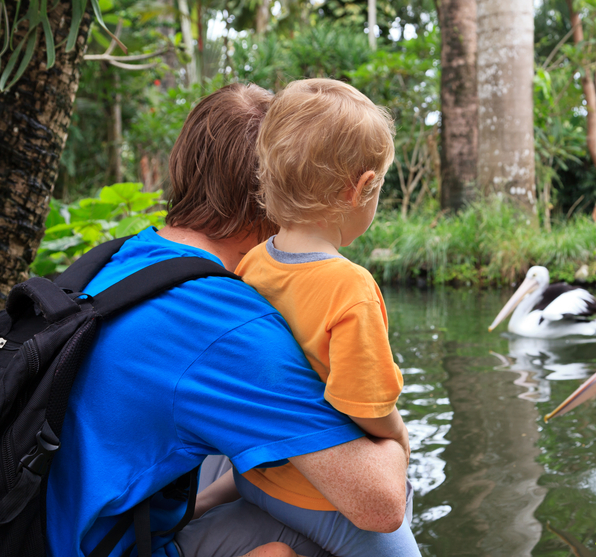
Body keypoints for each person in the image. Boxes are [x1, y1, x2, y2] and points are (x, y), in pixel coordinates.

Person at [45, 82, 408, 557]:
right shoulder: (223, 324)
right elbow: (381, 506)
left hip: (62, 519)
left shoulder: (130, 257)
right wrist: (398, 439)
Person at [202, 79, 420, 556]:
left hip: (258, 475)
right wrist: (401, 437)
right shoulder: (351, 288)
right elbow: (364, 408)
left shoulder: (253, 263)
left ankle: (207, 501)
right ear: (361, 188)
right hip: (320, 500)